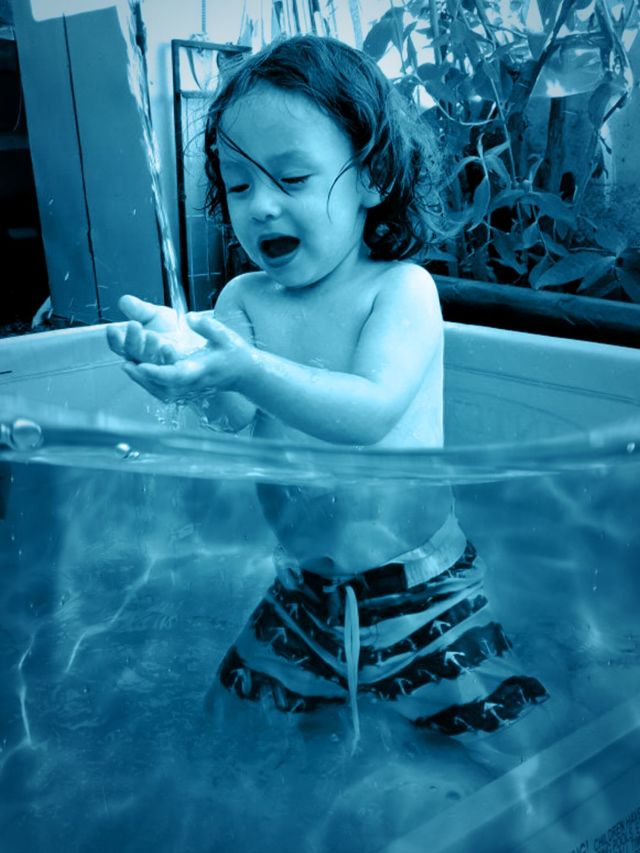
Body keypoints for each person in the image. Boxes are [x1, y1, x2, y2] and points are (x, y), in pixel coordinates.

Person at [107, 34, 547, 754]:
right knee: (225, 734)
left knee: (506, 748)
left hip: (419, 589)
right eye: (239, 186)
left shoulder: (399, 290)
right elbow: (232, 412)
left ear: (373, 177)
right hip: (303, 592)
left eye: (291, 179)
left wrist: (244, 367)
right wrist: (186, 365)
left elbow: (369, 411)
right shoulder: (245, 298)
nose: (261, 207)